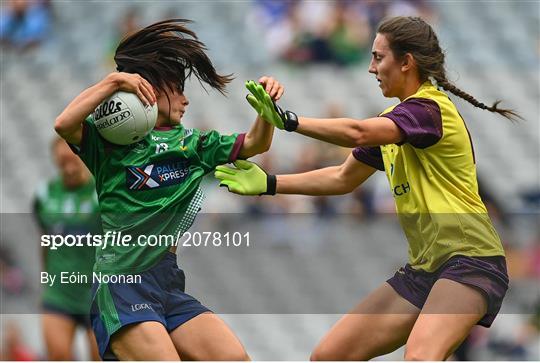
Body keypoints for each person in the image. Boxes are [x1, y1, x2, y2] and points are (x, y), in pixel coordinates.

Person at [215, 16, 519, 360]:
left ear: (406, 62)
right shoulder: (396, 121)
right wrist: (270, 183)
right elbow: (343, 177)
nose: (371, 68)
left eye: (378, 57)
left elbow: (359, 132)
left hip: (472, 261)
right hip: (425, 269)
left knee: (420, 356)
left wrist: (288, 121)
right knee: (329, 356)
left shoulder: (428, 109)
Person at [54, 18, 283, 360]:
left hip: (167, 284)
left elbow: (255, 144)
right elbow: (63, 123)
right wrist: (115, 80)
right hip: (122, 284)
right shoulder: (110, 144)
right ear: (150, 88)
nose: (185, 99)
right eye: (178, 87)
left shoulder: (193, 144)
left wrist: (268, 110)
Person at [33, 137, 100, 360]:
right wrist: (46, 279)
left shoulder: (101, 191)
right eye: (62, 161)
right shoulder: (45, 194)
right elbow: (45, 240)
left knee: (101, 355)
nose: (68, 165)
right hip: (59, 294)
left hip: (97, 295)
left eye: (72, 158)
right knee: (58, 356)